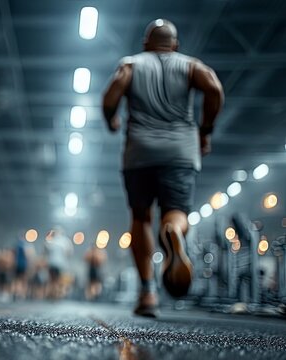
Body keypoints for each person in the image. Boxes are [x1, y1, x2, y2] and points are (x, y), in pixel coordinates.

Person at [102, 19, 224, 317]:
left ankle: (147, 293)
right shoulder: (191, 65)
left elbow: (110, 98)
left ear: (146, 43)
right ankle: (172, 230)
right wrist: (205, 130)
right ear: (176, 45)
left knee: (141, 218)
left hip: (139, 151)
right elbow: (215, 90)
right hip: (181, 151)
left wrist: (112, 120)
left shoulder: (131, 64)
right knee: (177, 212)